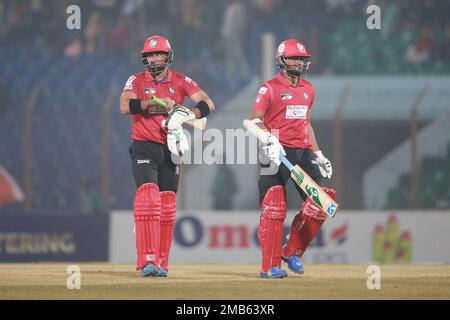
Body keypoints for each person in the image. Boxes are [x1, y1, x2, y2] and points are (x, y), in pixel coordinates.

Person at [120, 35, 215, 277]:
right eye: (151, 55)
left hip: (171, 148)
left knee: (167, 207)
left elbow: (207, 103)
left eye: (159, 54)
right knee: (149, 199)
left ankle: (161, 262)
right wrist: (155, 102)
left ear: (168, 56)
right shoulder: (137, 80)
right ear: (145, 58)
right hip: (144, 145)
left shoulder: (181, 80)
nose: (155, 58)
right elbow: (125, 106)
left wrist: (187, 114)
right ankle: (147, 260)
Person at [247, 39, 335, 278]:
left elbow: (306, 124)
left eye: (301, 58)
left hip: (303, 153)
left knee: (322, 202)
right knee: (273, 208)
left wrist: (318, 153)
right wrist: (269, 140)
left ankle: (291, 250)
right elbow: (254, 120)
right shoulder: (269, 87)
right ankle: (270, 267)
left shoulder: (308, 88)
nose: (298, 62)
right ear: (282, 60)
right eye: (293, 58)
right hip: (274, 152)